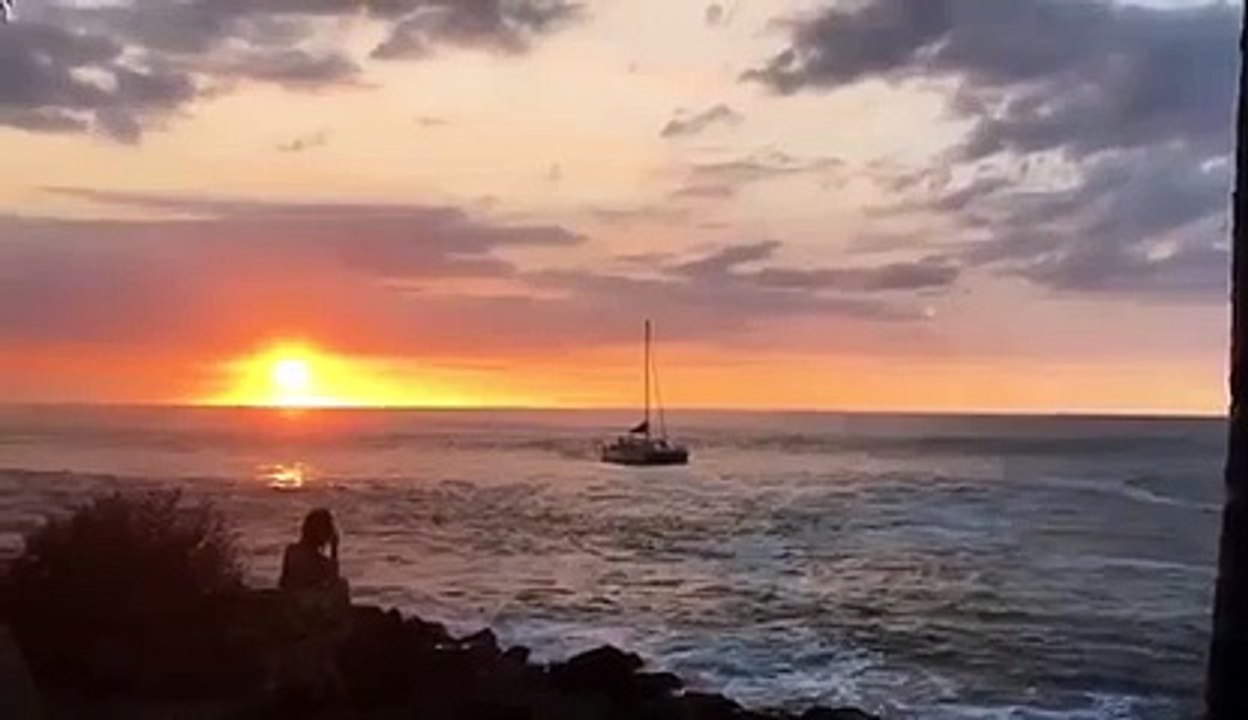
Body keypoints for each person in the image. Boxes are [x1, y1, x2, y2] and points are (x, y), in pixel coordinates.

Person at [271, 509, 352, 710]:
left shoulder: (291, 551)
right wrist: (335, 549)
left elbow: (283, 583)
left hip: (293, 609)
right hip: (305, 612)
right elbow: (333, 578)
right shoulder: (320, 562)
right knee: (341, 586)